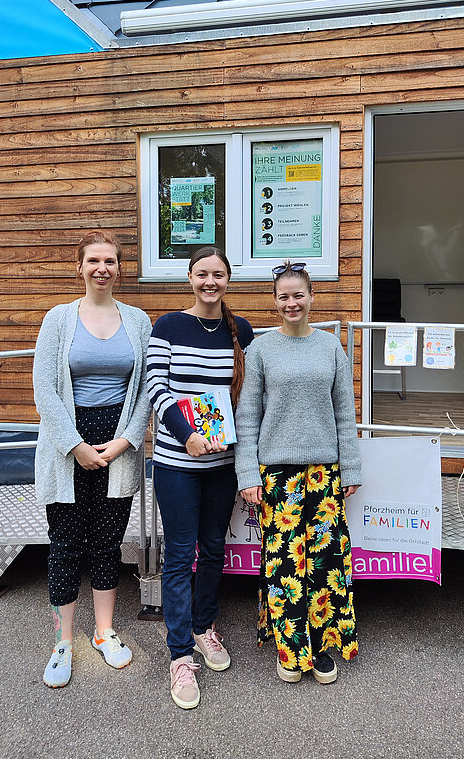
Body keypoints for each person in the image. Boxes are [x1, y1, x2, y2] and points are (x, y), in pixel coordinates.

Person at [33, 230, 152, 688]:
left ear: (120, 269)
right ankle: (63, 640)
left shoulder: (138, 321)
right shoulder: (58, 319)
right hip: (69, 447)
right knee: (65, 543)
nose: (102, 268)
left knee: (106, 542)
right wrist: (74, 445)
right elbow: (45, 387)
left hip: (117, 446)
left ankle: (103, 632)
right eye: (94, 260)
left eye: (111, 261)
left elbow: (144, 389)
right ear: (79, 266)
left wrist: (125, 441)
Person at [235, 261, 362, 685]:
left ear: (311, 297)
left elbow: (345, 413)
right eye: (283, 296)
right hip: (277, 475)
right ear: (274, 302)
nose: (292, 302)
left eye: (298, 294)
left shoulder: (331, 349)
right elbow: (248, 415)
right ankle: (291, 650)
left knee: (325, 564)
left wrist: (351, 469)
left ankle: (322, 646)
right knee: (284, 566)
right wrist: (247, 473)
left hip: (324, 472)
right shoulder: (261, 352)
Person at [147, 247, 254, 710]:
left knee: (213, 551)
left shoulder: (241, 331)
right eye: (201, 273)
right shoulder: (168, 326)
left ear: (227, 280)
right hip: (176, 463)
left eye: (218, 274)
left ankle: (204, 627)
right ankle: (178, 656)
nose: (210, 281)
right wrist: (187, 435)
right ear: (190, 278)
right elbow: (156, 387)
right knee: (178, 556)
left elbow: (249, 393)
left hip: (222, 467)